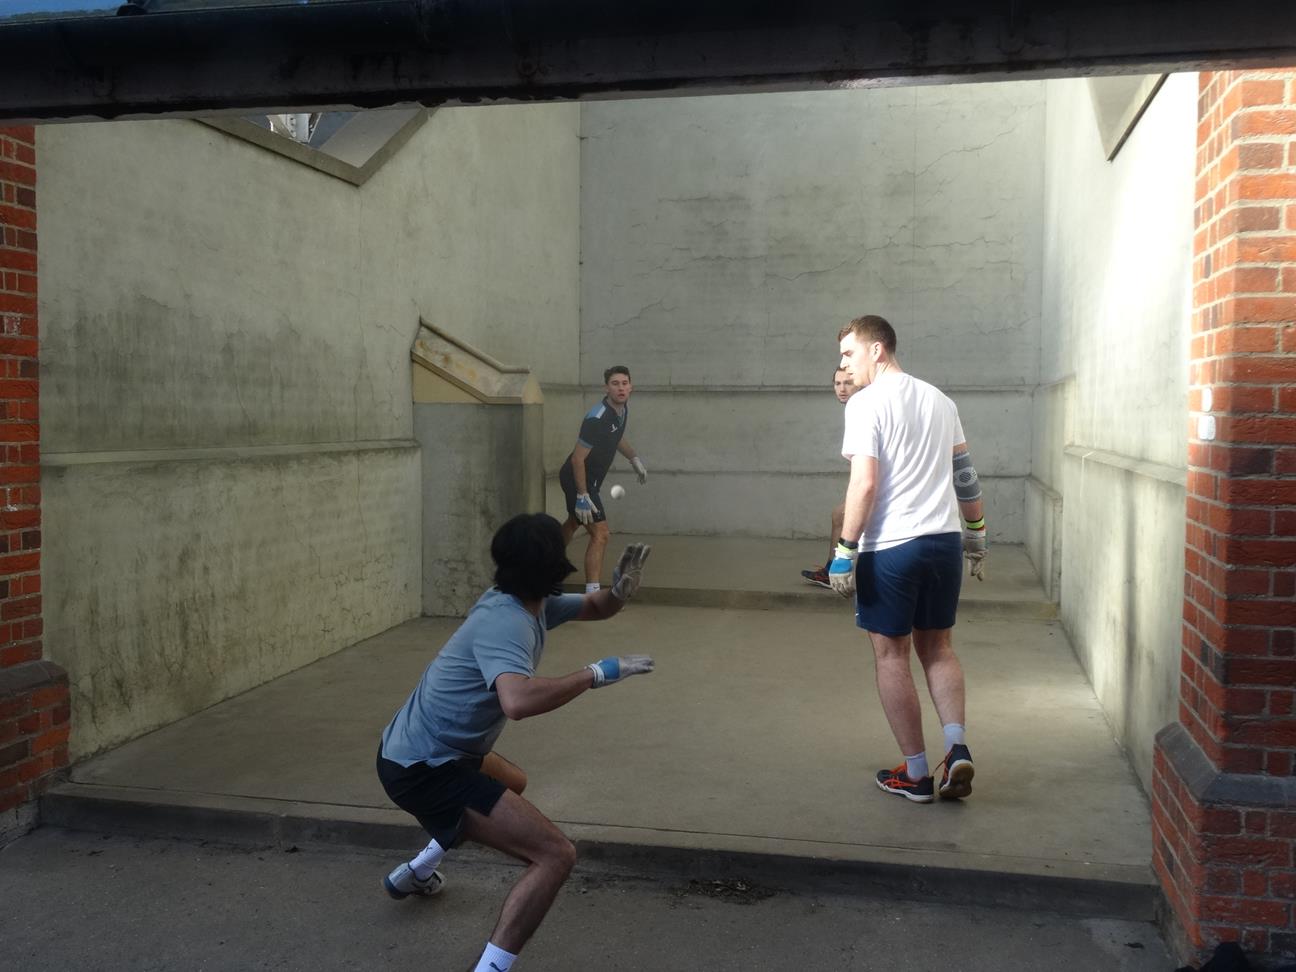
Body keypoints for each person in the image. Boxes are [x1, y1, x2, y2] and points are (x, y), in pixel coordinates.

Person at [376, 513, 653, 972]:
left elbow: (596, 607)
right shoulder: (506, 623)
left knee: (514, 783)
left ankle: (416, 872)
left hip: (419, 747)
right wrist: (594, 674)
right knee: (554, 855)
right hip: (425, 769)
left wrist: (620, 590)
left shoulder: (527, 601)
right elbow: (517, 702)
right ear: (550, 567)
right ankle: (491, 969)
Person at [828, 315, 987, 804]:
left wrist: (842, 551)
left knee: (891, 655)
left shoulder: (866, 404)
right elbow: (965, 474)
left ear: (878, 350)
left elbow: (866, 483)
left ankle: (916, 774)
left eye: (849, 354)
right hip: (943, 544)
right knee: (938, 649)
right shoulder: (940, 400)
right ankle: (956, 746)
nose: (844, 365)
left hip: (893, 548)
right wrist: (976, 532)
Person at [558, 365, 647, 592]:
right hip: (577, 480)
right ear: (606, 388)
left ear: (631, 387)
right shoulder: (596, 418)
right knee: (601, 534)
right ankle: (593, 595)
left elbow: (616, 437)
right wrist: (582, 495)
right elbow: (578, 460)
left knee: (573, 522)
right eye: (615, 384)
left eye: (624, 383)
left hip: (589, 482)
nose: (621, 388)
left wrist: (634, 459)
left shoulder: (622, 409)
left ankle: (544, 564)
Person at [801, 366, 858, 589]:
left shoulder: (860, 407)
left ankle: (835, 570)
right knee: (840, 516)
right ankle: (832, 569)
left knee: (842, 517)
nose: (842, 389)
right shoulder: (856, 406)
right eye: (837, 384)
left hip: (883, 485)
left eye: (848, 383)